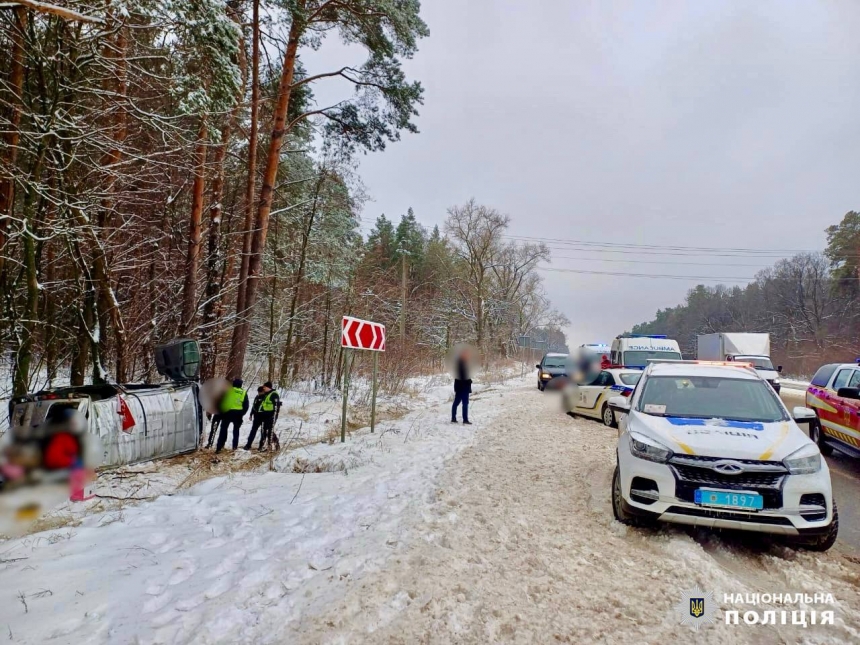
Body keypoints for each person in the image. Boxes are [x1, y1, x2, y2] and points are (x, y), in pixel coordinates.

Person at [245, 382, 280, 451]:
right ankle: (248, 445)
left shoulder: (269, 395)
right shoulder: (258, 397)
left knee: (266, 431)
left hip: (267, 416)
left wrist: (274, 417)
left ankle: (267, 445)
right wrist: (251, 414)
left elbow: (276, 407)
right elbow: (255, 406)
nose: (260, 393)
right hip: (258, 415)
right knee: (254, 430)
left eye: (262, 391)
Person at [216, 378, 249, 453]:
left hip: (227, 413)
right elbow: (246, 405)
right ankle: (234, 447)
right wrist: (242, 413)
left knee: (223, 430)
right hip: (238, 414)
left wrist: (221, 412)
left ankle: (219, 447)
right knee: (236, 431)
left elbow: (221, 401)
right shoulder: (243, 392)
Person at [452, 348, 472, 424]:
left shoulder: (460, 363)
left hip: (460, 387)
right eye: (466, 355)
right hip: (462, 387)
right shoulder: (461, 364)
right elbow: (463, 376)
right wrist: (469, 381)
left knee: (457, 403)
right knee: (464, 403)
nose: (468, 356)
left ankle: (454, 418)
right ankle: (465, 419)